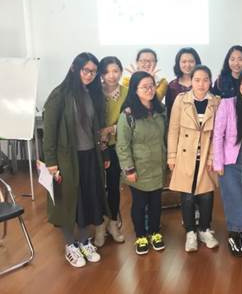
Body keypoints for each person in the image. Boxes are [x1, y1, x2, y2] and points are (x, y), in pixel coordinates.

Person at [42, 52, 109, 268]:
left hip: (90, 156)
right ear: (74, 68)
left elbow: (98, 129)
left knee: (88, 199)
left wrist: (104, 153)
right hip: (66, 159)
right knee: (68, 201)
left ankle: (84, 240)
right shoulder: (59, 95)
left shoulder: (92, 93)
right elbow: (49, 132)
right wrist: (51, 163)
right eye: (85, 70)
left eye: (93, 72)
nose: (89, 75)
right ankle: (70, 244)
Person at [167, 65, 221, 253]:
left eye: (205, 80)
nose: (201, 84)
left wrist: (213, 157)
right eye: (197, 80)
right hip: (185, 155)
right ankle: (190, 231)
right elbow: (173, 129)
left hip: (206, 155)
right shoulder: (181, 100)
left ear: (210, 81)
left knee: (206, 194)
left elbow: (218, 134)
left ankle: (205, 229)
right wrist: (172, 156)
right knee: (187, 195)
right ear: (191, 81)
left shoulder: (216, 102)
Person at [116, 71, 167, 255]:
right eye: (144, 87)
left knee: (156, 203)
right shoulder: (128, 115)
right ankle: (141, 236)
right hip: (138, 168)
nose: (149, 90)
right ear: (135, 90)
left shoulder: (160, 110)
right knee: (139, 203)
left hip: (157, 165)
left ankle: (155, 232)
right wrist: (129, 169)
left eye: (151, 86)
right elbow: (122, 145)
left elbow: (166, 137)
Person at [213, 71, 242, 257]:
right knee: (234, 196)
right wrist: (218, 163)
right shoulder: (227, 104)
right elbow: (218, 135)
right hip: (231, 157)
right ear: (239, 85)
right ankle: (234, 233)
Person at [95, 56, 127, 247]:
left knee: (114, 186)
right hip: (95, 147)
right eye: (107, 72)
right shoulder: (94, 92)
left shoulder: (127, 92)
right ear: (101, 74)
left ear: (121, 72)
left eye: (115, 71)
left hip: (117, 146)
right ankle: (100, 226)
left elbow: (130, 119)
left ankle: (113, 224)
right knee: (98, 187)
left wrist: (111, 129)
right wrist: (100, 136)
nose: (111, 75)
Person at [166, 48, 201, 119]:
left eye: (191, 61)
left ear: (196, 63)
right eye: (184, 62)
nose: (187, 65)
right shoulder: (172, 86)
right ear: (178, 64)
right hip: (178, 124)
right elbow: (169, 111)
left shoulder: (203, 84)